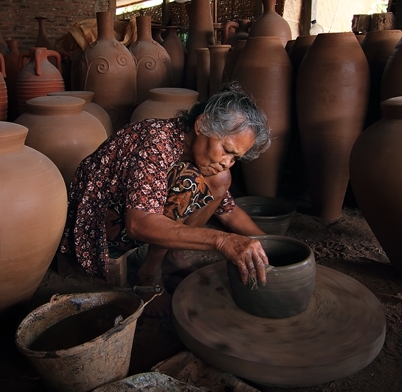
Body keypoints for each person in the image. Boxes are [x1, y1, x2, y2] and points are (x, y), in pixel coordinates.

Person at [59, 82, 271, 316]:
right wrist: (222, 241)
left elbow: (227, 210)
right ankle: (148, 274)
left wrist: (268, 245)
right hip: (99, 224)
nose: (228, 161)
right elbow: (139, 224)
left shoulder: (195, 151)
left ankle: (171, 254)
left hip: (132, 213)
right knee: (188, 181)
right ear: (202, 125)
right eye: (227, 150)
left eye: (235, 158)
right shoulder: (157, 142)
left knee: (220, 179)